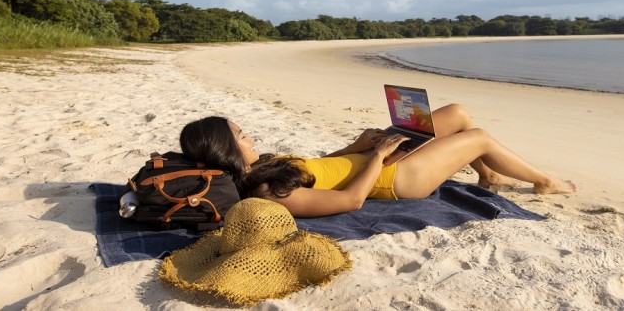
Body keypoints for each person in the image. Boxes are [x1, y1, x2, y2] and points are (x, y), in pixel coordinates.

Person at [179, 104, 576, 218]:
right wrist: (380, 157)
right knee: (479, 137)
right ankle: (545, 182)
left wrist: (357, 146)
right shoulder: (266, 192)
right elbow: (350, 200)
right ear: (227, 150)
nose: (249, 136)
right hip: (397, 179)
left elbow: (320, 168)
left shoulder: (265, 165)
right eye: (241, 136)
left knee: (456, 113)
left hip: (376, 158)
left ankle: (487, 175)